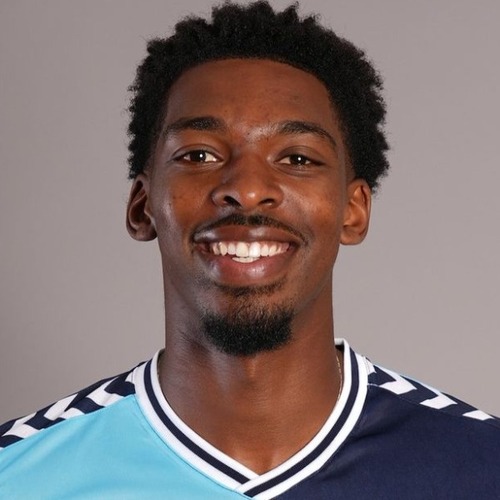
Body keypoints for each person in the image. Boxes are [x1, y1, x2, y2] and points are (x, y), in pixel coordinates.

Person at [1, 1, 499, 498]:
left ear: (354, 210)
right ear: (142, 206)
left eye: (297, 159)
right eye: (199, 154)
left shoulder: (482, 466)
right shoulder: (19, 474)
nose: (247, 188)